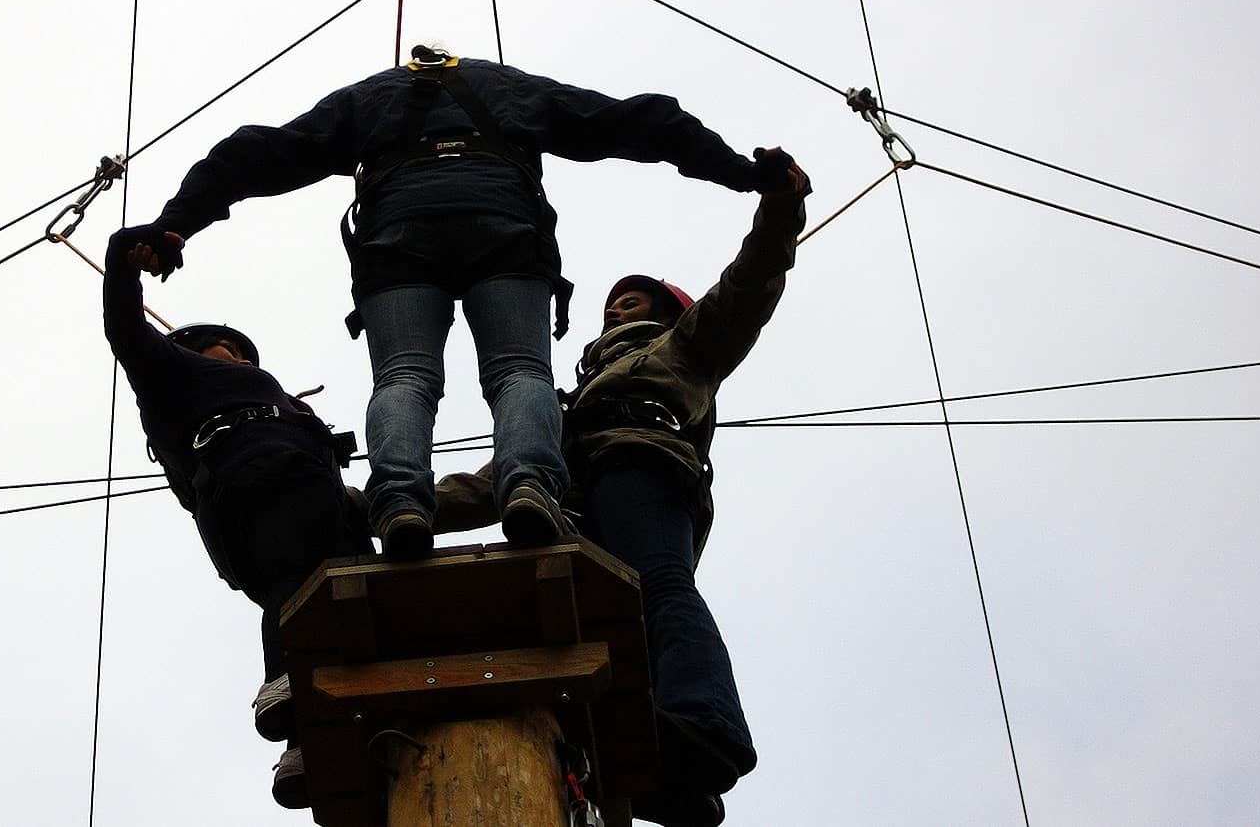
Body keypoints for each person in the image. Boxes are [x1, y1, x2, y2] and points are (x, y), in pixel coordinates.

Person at [112, 46, 799, 560]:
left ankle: (400, 503)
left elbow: (252, 154)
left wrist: (177, 224)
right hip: (504, 226)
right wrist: (741, 171)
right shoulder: (508, 88)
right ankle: (530, 485)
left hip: (398, 235)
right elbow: (639, 122)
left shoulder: (368, 99)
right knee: (519, 373)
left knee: (405, 377)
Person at [434, 150, 813, 826]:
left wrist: (780, 213)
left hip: (643, 465)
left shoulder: (685, 348)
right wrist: (388, 507)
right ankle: (668, 784)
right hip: (577, 490)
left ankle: (707, 724)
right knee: (586, 632)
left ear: (670, 310)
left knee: (658, 587)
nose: (617, 301)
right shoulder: (568, 403)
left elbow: (749, 286)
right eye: (612, 301)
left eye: (633, 297)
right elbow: (490, 484)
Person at [102, 227, 374, 810]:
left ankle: (310, 745)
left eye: (242, 352)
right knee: (299, 577)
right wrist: (126, 253)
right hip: (258, 483)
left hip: (294, 496)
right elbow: (125, 328)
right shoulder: (172, 376)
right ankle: (285, 683)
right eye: (225, 347)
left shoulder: (287, 408)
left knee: (336, 593)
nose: (239, 356)